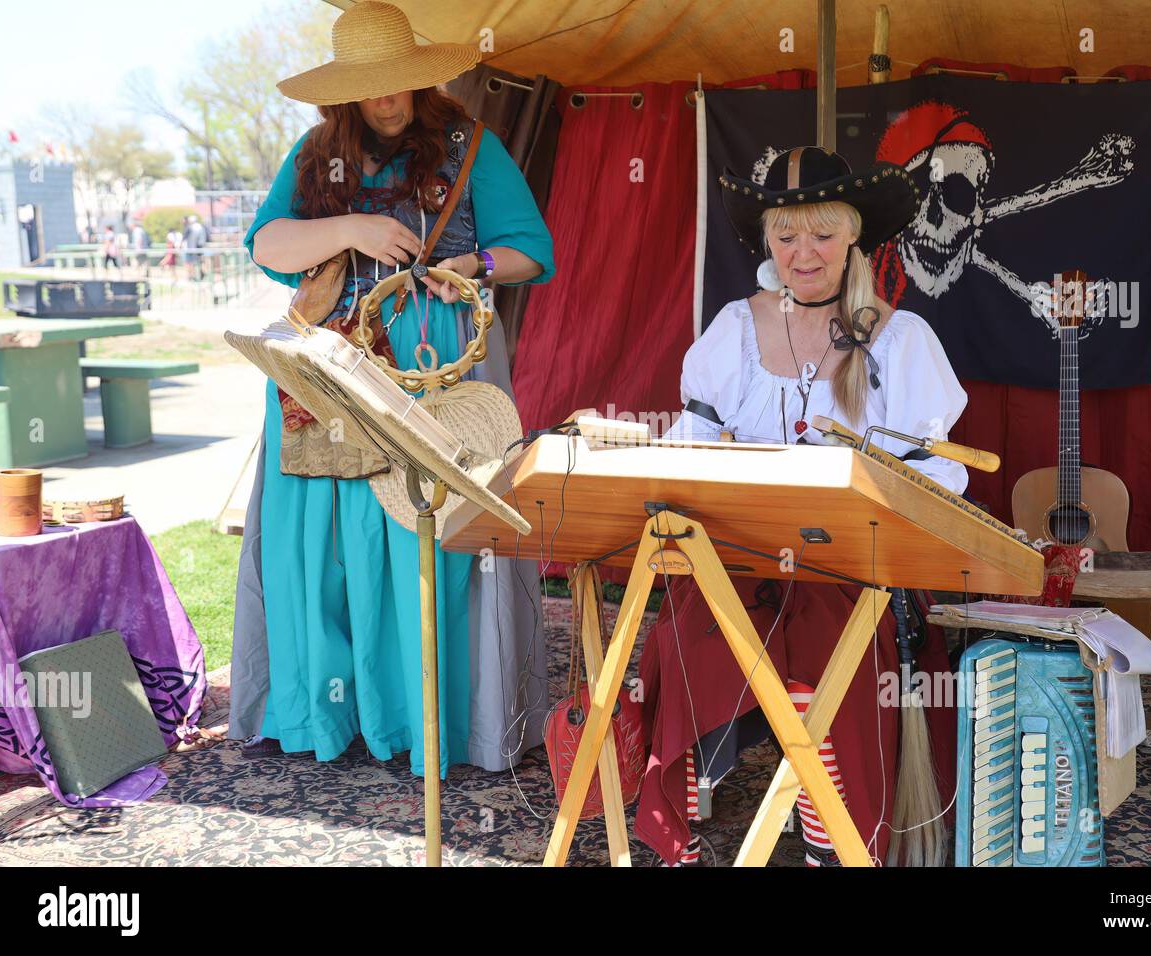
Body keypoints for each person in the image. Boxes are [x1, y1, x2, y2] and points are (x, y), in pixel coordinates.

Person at [234, 0, 554, 779]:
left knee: (436, 530)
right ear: (343, 91)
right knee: (330, 540)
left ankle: (441, 717)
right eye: (368, 87)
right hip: (334, 373)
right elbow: (267, 244)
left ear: (418, 80)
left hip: (435, 364)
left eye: (396, 83)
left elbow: (532, 252)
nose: (385, 100)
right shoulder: (316, 155)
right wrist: (351, 229)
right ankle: (334, 712)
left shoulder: (471, 148)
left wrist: (472, 267)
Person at [635, 147, 962, 866]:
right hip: (741, 560)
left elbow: (938, 481)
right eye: (786, 236)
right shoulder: (732, 332)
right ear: (767, 243)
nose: (802, 254)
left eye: (821, 234)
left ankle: (828, 834)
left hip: (853, 572)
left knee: (822, 646)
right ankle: (679, 833)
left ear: (853, 238)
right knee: (691, 625)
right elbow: (688, 453)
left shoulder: (901, 343)